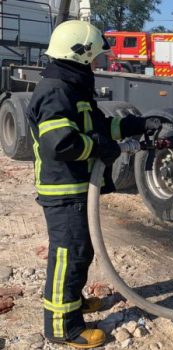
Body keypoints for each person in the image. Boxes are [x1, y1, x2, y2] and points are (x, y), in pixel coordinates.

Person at [26, 20, 161, 349]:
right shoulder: (56, 91)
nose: (100, 61)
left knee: (80, 252)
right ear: (82, 54)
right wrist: (104, 149)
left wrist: (137, 124)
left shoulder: (71, 86)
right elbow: (60, 144)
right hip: (64, 189)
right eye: (97, 55)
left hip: (77, 188)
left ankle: (73, 302)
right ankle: (62, 326)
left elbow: (99, 126)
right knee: (68, 256)